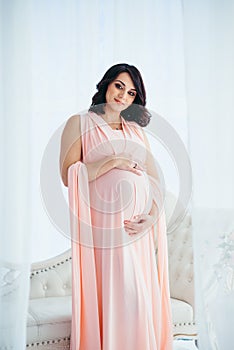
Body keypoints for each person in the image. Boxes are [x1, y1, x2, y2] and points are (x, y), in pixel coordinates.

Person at [59, 63, 173, 350]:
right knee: (123, 295)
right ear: (107, 84)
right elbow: (68, 173)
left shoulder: (136, 131)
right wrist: (113, 162)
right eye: (119, 86)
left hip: (136, 232)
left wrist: (151, 217)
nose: (123, 96)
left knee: (138, 299)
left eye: (131, 92)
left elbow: (156, 180)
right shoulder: (80, 122)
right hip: (106, 229)